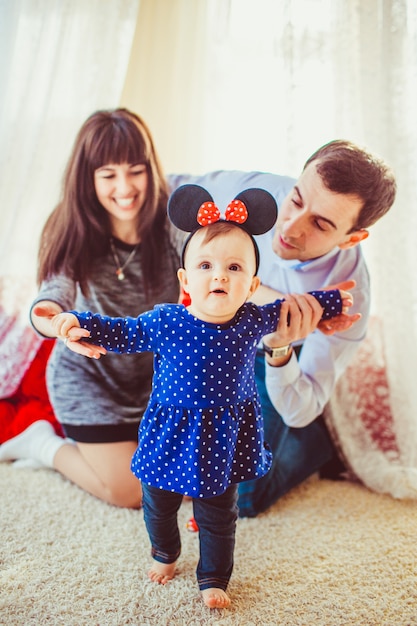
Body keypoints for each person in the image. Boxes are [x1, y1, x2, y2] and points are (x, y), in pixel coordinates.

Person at [32, 183, 351, 608]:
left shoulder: (253, 320)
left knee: (219, 514)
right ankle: (165, 552)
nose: (219, 275)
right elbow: (124, 331)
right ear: (186, 279)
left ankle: (214, 576)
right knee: (158, 504)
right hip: (170, 431)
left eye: (235, 268)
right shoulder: (167, 320)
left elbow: (297, 307)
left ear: (252, 284)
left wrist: (335, 302)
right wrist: (75, 321)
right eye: (206, 265)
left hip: (223, 435)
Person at [166, 139, 397, 517]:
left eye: (321, 224)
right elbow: (169, 190)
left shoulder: (352, 298)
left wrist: (280, 349)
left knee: (242, 496)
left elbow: (299, 409)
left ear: (352, 238)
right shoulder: (253, 192)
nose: (290, 227)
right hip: (211, 331)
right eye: (296, 199)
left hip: (273, 356)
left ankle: (321, 445)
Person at [0, 108, 184, 507]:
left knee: (197, 480)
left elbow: (215, 270)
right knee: (132, 492)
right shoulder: (71, 226)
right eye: (108, 174)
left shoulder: (172, 221)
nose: (125, 187)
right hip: (89, 380)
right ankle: (39, 444)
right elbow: (52, 295)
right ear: (89, 178)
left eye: (136, 170)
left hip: (159, 381)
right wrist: (56, 322)